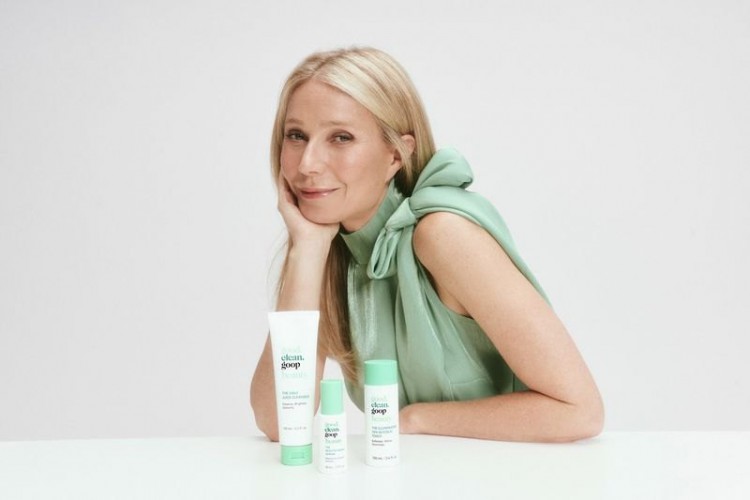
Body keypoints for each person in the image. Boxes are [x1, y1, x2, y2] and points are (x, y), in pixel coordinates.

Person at [250, 47, 604, 443]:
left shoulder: (442, 234)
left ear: (395, 155)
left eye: (341, 137)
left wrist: (417, 419)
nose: (307, 164)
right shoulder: (334, 253)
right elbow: (279, 422)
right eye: (296, 136)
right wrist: (307, 250)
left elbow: (579, 412)